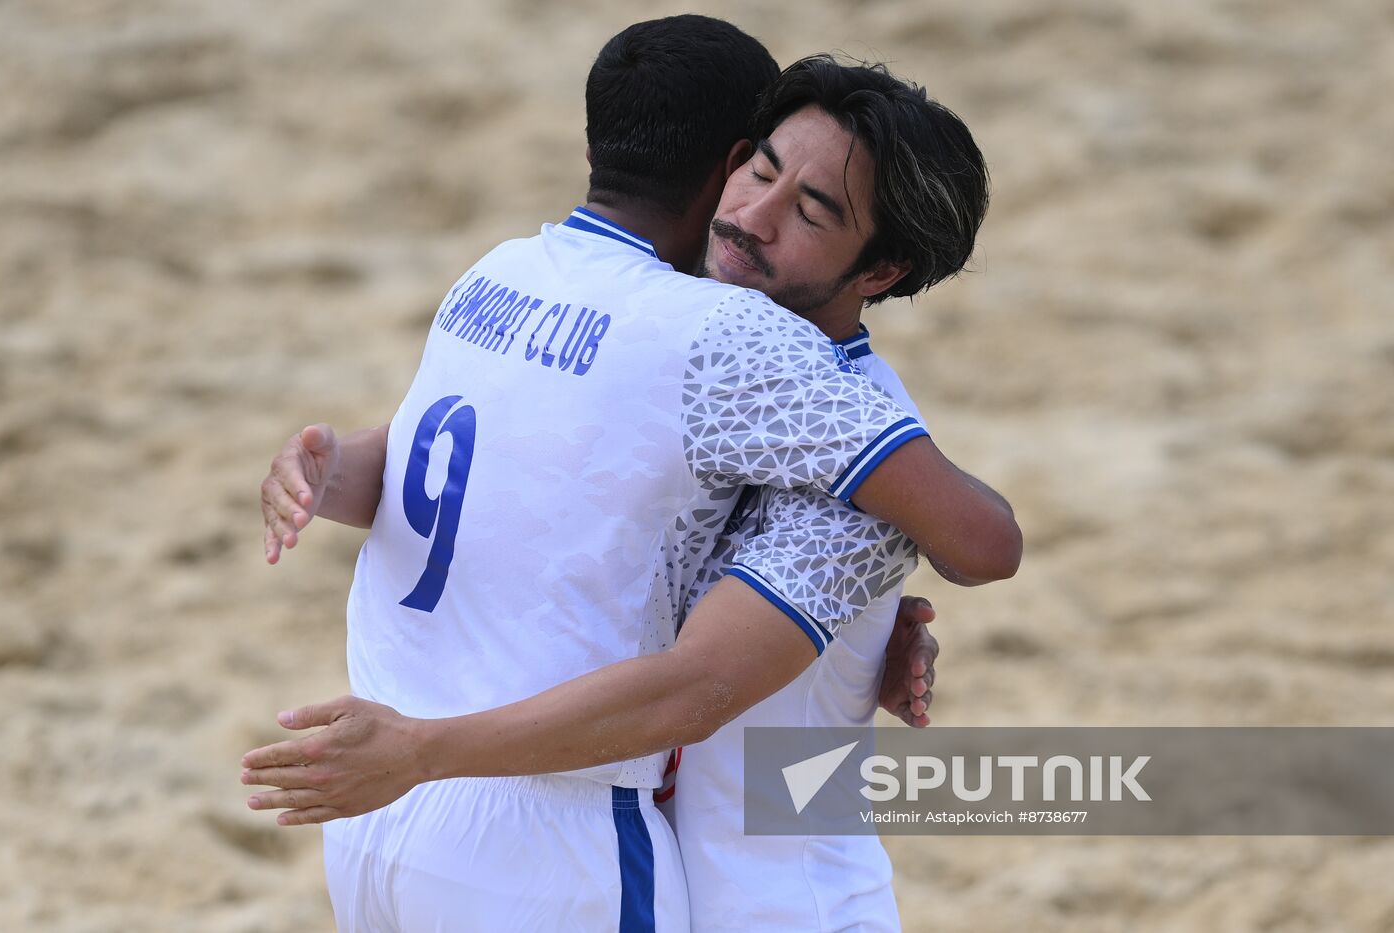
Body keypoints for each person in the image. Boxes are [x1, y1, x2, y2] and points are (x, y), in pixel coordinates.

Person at [248, 18, 1018, 933]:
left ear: (882, 268)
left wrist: (870, 621)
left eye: (811, 211)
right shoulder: (687, 347)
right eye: (760, 171)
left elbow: (972, 547)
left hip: (780, 904)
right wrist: (330, 465)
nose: (752, 215)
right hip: (618, 853)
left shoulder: (836, 442)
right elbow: (529, 471)